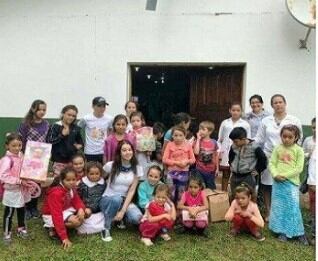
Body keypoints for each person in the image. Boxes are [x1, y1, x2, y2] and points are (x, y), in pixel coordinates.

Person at [255, 94, 302, 222]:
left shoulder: (294, 120)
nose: (278, 105)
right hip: (269, 156)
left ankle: (284, 211)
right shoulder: (266, 121)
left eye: (280, 102)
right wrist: (247, 144)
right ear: (272, 105)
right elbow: (259, 139)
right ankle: (270, 212)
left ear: (285, 103)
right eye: (275, 103)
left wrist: (295, 155)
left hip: (287, 158)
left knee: (285, 185)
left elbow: (299, 139)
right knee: (267, 184)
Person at [268, 125, 308, 245]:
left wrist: (284, 175)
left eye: (290, 137)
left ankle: (299, 233)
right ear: (281, 136)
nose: (286, 139)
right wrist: (275, 174)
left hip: (291, 183)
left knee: (293, 208)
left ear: (296, 137)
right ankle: (282, 231)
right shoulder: (277, 148)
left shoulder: (298, 150)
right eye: (284, 136)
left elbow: (299, 168)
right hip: (277, 183)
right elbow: (272, 163)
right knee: (279, 207)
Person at [100, 140, 143, 242]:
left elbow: (132, 190)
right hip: (108, 199)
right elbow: (100, 179)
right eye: (124, 150)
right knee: (116, 199)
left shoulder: (137, 168)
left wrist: (123, 211)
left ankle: (121, 218)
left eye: (129, 149)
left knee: (137, 218)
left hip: (124, 200)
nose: (128, 152)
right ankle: (106, 228)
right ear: (119, 152)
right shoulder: (110, 165)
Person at [17, 99, 50, 220]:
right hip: (28, 158)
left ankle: (34, 208)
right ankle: (26, 207)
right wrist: (22, 156)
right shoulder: (25, 124)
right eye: (39, 109)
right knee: (28, 184)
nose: (42, 112)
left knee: (37, 184)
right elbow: (21, 141)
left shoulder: (46, 124)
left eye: (44, 110)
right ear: (33, 109)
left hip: (42, 158)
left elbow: (47, 140)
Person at [42, 167, 86, 249]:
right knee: (76, 222)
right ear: (62, 180)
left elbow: (77, 200)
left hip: (65, 208)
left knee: (85, 212)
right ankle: (52, 227)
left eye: (74, 179)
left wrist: (80, 209)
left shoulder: (71, 187)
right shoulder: (56, 193)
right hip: (51, 215)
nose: (72, 182)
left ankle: (60, 227)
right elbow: (57, 215)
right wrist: (64, 237)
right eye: (68, 180)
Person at [0, 133, 32, 244]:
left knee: (21, 210)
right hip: (11, 191)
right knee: (9, 213)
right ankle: (7, 233)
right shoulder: (7, 160)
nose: (17, 148)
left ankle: (21, 229)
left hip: (22, 190)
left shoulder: (22, 156)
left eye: (19, 145)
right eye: (14, 145)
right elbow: (3, 176)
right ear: (7, 146)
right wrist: (19, 181)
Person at [218, 102, 251, 191]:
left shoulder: (245, 124)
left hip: (239, 152)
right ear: (230, 111)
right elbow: (220, 138)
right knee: (225, 174)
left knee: (238, 174)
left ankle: (237, 194)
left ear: (241, 112)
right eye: (233, 110)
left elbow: (248, 139)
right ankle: (223, 194)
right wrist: (220, 151)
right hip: (226, 152)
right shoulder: (225, 123)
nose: (235, 112)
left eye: (238, 110)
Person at [228, 127, 267, 197]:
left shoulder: (254, 147)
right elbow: (231, 156)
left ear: (243, 139)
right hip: (235, 175)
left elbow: (263, 159)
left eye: (236, 141)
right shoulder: (233, 146)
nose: (234, 143)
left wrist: (258, 170)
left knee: (249, 195)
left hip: (248, 176)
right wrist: (231, 164)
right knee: (234, 195)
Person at [46, 105, 84, 176]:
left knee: (71, 182)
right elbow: (49, 142)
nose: (71, 117)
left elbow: (80, 142)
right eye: (69, 115)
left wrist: (79, 146)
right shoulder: (55, 126)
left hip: (72, 162)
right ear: (63, 114)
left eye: (73, 116)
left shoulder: (75, 128)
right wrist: (62, 135)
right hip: (58, 162)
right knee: (59, 181)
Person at [163, 126, 196, 204]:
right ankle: (171, 209)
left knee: (181, 192)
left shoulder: (188, 145)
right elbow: (164, 159)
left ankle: (179, 210)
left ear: (185, 136)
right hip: (171, 172)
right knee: (171, 191)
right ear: (172, 136)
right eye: (176, 135)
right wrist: (176, 163)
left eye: (181, 135)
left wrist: (186, 162)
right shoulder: (170, 145)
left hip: (183, 173)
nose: (178, 138)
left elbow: (193, 160)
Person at [78, 97, 113, 164]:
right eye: (99, 106)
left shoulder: (110, 119)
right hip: (90, 151)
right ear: (93, 106)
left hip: (104, 151)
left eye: (104, 106)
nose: (102, 108)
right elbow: (76, 129)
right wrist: (80, 142)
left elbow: (111, 132)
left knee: (104, 172)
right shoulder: (86, 118)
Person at [77, 161, 106, 235]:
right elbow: (77, 197)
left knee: (102, 222)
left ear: (100, 173)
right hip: (86, 210)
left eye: (97, 174)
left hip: (99, 210)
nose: (94, 176)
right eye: (91, 174)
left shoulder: (103, 183)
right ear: (87, 173)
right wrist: (82, 208)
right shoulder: (82, 183)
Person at [193, 121, 219, 190]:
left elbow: (216, 155)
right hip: (199, 169)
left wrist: (217, 168)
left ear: (210, 132)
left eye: (203, 129)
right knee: (200, 187)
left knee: (211, 187)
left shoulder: (214, 142)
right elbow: (196, 152)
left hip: (211, 170)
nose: (200, 131)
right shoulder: (197, 141)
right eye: (199, 129)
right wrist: (198, 139)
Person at [303, 117, 316, 245]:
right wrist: (309, 154)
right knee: (312, 201)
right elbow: (303, 153)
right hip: (310, 174)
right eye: (313, 127)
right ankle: (312, 225)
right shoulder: (308, 140)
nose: (315, 130)